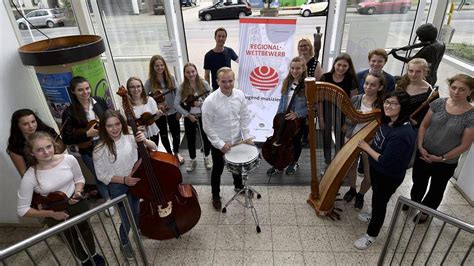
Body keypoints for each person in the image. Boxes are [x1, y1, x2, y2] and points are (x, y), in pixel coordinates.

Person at [17, 132, 104, 266]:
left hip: (77, 203)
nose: (46, 152)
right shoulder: (30, 176)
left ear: (54, 145)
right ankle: (85, 260)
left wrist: (78, 191)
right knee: (69, 237)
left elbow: (79, 179)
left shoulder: (68, 159)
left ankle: (93, 254)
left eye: (48, 146)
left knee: (85, 229)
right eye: (39, 150)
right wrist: (51, 214)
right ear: (32, 153)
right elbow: (22, 210)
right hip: (54, 211)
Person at [354, 91, 416, 250]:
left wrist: (366, 147)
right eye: (387, 102)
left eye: (394, 104)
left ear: (403, 108)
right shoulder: (388, 121)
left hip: (388, 175)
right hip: (377, 170)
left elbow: (385, 160)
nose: (388, 106)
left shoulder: (402, 134)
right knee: (377, 197)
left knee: (380, 204)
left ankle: (371, 235)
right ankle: (373, 215)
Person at [409, 74, 473, 223]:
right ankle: (413, 202)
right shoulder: (438, 103)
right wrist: (420, 146)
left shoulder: (471, 116)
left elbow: (465, 145)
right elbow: (424, 125)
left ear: (470, 92)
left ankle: (425, 212)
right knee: (418, 182)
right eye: (453, 87)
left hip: (446, 162)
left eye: (462, 89)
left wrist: (442, 158)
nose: (456, 92)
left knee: (436, 190)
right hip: (423, 153)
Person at [93, 110, 157, 258]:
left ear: (122, 124)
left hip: (134, 181)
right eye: (110, 126)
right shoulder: (99, 149)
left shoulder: (130, 138)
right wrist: (123, 180)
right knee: (126, 217)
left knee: (136, 210)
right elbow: (101, 175)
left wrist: (145, 140)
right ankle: (124, 243)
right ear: (104, 128)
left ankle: (137, 230)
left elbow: (153, 148)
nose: (115, 129)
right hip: (117, 185)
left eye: (117, 124)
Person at [61, 76, 113, 215]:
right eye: (80, 90)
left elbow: (110, 118)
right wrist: (87, 134)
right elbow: (66, 138)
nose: (85, 92)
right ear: (73, 92)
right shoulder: (69, 112)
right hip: (88, 148)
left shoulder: (99, 101)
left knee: (112, 170)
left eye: (87, 88)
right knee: (99, 175)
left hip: (106, 142)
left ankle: (116, 194)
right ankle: (108, 201)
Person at [202, 67, 252, 210]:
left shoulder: (240, 95)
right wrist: (220, 144)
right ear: (217, 81)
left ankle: (238, 186)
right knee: (217, 169)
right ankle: (215, 195)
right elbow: (207, 127)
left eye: (230, 81)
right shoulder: (210, 101)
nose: (227, 84)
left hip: (236, 140)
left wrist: (246, 135)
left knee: (236, 166)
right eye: (223, 81)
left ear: (234, 79)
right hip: (219, 142)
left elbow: (244, 117)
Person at [343, 72, 386, 210]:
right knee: (351, 168)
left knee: (369, 174)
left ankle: (361, 195)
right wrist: (357, 118)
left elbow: (384, 125)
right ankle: (352, 190)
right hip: (352, 138)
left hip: (371, 143)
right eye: (366, 83)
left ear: (380, 87)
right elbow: (348, 121)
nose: (368, 87)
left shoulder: (383, 104)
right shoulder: (356, 99)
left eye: (373, 85)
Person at [266, 57, 308, 176]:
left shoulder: (307, 85)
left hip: (297, 121)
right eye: (293, 68)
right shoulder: (287, 81)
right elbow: (282, 101)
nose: (295, 71)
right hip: (284, 119)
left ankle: (294, 163)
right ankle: (279, 164)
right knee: (281, 140)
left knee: (295, 142)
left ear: (303, 68)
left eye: (298, 68)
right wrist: (278, 117)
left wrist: (297, 114)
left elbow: (312, 107)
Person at [320, 53, 359, 165]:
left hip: (343, 114)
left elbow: (354, 103)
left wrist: (347, 123)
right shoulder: (325, 77)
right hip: (327, 111)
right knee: (326, 138)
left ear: (349, 67)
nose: (341, 68)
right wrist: (321, 119)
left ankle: (338, 163)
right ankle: (327, 161)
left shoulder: (351, 80)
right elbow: (320, 100)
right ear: (334, 64)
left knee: (340, 140)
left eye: (344, 66)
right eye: (339, 65)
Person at [145, 55, 184, 164]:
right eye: (157, 65)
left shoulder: (171, 78)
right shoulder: (149, 82)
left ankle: (176, 152)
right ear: (152, 67)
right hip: (159, 113)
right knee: (164, 134)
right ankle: (169, 154)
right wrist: (156, 106)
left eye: (162, 65)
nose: (160, 67)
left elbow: (178, 95)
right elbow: (144, 97)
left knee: (176, 133)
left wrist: (180, 111)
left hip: (173, 110)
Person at [175, 63, 213, 172]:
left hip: (203, 115)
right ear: (185, 74)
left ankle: (207, 157)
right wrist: (187, 115)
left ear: (196, 71)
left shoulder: (204, 84)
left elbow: (212, 100)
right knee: (190, 139)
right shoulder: (182, 87)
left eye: (193, 71)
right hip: (189, 117)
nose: (191, 74)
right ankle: (193, 159)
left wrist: (201, 104)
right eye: (188, 72)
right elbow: (176, 104)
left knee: (206, 138)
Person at [7, 109, 63, 177]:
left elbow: (62, 146)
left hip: (59, 168)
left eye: (33, 122)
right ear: (17, 126)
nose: (31, 126)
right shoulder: (15, 146)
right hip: (39, 176)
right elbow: (24, 173)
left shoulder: (48, 131)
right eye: (25, 124)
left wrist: (54, 149)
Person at [297, 38, 323, 145]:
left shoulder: (315, 63)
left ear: (310, 47)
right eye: (301, 46)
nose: (303, 48)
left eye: (305, 45)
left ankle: (306, 137)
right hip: (298, 94)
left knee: (309, 117)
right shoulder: (296, 61)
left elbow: (319, 80)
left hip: (310, 94)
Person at [395, 58, 433, 127]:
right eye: (411, 71)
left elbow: (428, 116)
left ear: (425, 72)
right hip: (394, 121)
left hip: (413, 127)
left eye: (418, 71)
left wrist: (416, 122)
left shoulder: (430, 93)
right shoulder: (400, 84)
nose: (413, 74)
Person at [125, 76, 162, 145]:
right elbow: (124, 126)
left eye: (138, 86)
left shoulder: (150, 100)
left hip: (152, 132)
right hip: (138, 136)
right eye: (132, 87)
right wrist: (135, 129)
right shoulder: (126, 105)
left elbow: (154, 118)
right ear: (128, 89)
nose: (136, 89)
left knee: (155, 152)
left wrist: (158, 114)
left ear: (142, 87)